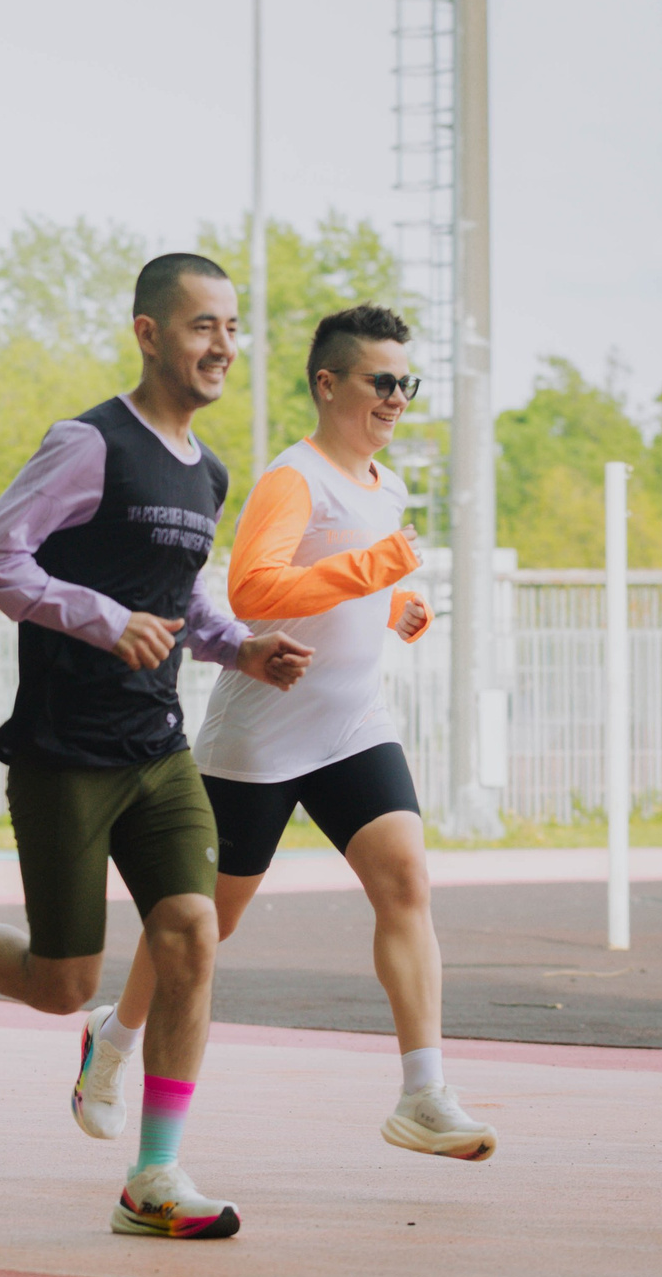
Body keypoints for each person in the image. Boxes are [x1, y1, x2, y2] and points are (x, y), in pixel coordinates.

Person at [0, 253, 312, 1240]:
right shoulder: (89, 444)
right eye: (201, 326)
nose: (221, 344)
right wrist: (100, 618)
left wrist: (242, 644)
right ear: (148, 333)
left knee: (191, 934)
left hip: (159, 745)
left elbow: (181, 594)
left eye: (232, 327)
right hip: (64, 747)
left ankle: (155, 1174)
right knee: (64, 985)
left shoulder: (209, 471)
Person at [106, 304, 496, 1161]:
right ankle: (118, 1034)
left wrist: (398, 606)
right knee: (203, 922)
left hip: (354, 725)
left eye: (406, 382)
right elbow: (254, 591)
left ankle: (424, 1093)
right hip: (262, 743)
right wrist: (381, 568)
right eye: (380, 382)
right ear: (328, 384)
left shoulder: (384, 484)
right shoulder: (296, 477)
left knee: (406, 883)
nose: (397, 398)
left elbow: (347, 585)